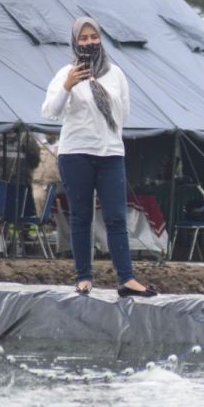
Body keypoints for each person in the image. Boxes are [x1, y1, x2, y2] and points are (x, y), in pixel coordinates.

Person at [41, 16, 156, 296]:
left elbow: (124, 113)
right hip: (75, 153)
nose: (90, 42)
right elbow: (50, 112)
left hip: (110, 153)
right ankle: (83, 277)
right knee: (81, 216)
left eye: (94, 37)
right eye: (84, 38)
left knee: (116, 217)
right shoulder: (65, 73)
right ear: (75, 41)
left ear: (101, 39)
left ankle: (126, 279)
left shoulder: (115, 74)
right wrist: (68, 85)